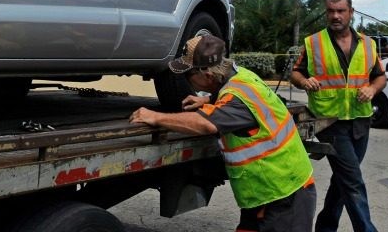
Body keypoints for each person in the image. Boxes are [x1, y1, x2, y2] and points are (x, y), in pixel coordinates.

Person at [130, 34, 317, 232]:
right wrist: (209, 100)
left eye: (187, 75)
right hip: (268, 194)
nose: (185, 81)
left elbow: (206, 124)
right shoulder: (241, 75)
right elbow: (232, 97)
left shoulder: (236, 99)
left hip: (285, 196)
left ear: (207, 75)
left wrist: (155, 117)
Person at [290, 0, 386, 232]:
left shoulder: (368, 44)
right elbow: (295, 73)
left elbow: (380, 77)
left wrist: (372, 90)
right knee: (352, 181)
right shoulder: (313, 43)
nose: (335, 16)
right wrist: (304, 82)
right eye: (331, 11)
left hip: (361, 119)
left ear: (351, 13)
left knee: (342, 180)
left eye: (341, 11)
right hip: (329, 121)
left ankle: (325, 227)